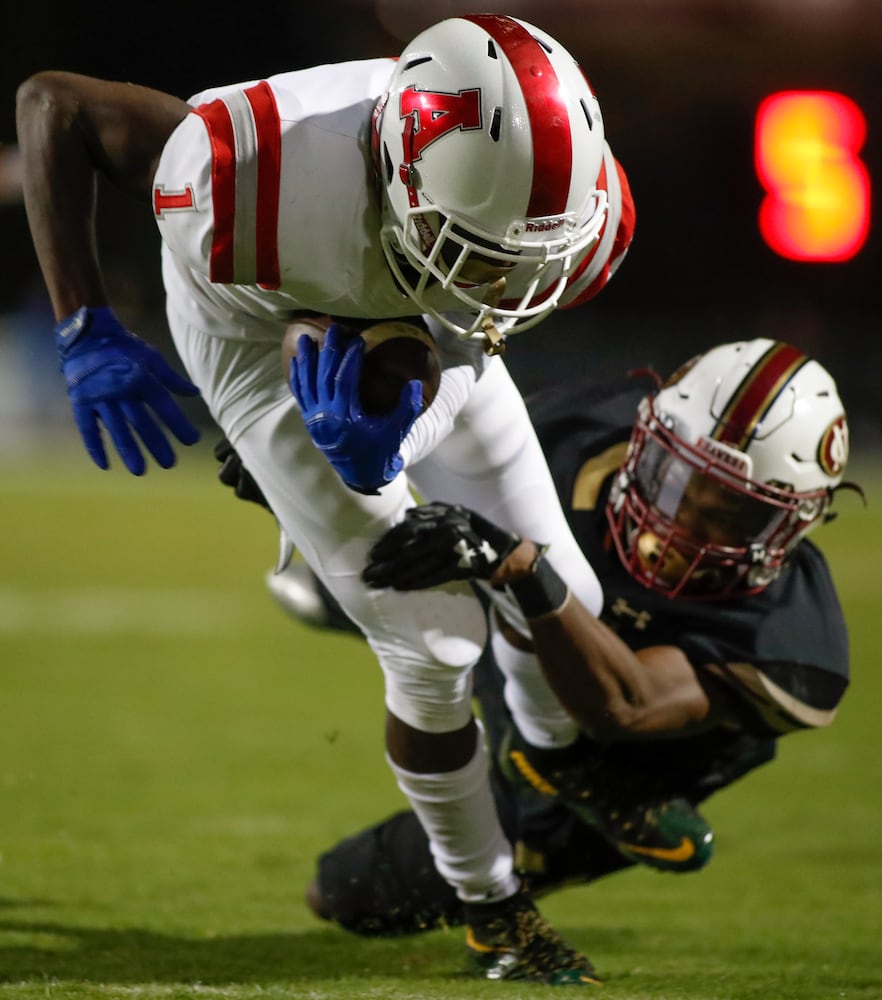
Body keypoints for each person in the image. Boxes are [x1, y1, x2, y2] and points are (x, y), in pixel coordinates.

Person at [16, 12, 634, 986]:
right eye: (476, 250)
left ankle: (555, 761)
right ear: (399, 176)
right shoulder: (242, 169)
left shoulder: (555, 213)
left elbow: (466, 318)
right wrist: (83, 318)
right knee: (433, 643)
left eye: (515, 258)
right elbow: (52, 102)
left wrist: (407, 412)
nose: (502, 280)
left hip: (398, 312)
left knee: (569, 601)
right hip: (253, 339)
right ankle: (492, 906)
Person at [230, 338, 856, 959]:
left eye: (732, 515)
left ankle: (584, 794)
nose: (683, 518)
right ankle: (390, 620)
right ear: (645, 437)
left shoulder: (793, 644)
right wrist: (304, 479)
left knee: (343, 893)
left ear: (794, 525)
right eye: (675, 477)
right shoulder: (579, 432)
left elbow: (626, 705)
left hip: (630, 756)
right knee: (407, 576)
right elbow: (435, 472)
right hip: (513, 657)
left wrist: (525, 568)